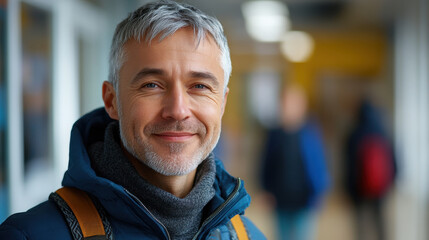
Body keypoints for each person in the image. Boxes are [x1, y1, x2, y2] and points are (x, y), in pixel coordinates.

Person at [0, 1, 265, 239]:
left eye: (199, 86)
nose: (178, 110)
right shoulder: (28, 235)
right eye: (152, 85)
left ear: (222, 104)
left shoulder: (248, 236)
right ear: (111, 101)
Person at [260, 85, 330, 240]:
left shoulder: (310, 134)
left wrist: (320, 192)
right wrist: (265, 189)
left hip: (304, 200)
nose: (287, 108)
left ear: (301, 107)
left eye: (292, 104)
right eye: (284, 104)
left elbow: (319, 166)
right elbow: (265, 164)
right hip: (281, 199)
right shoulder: (274, 135)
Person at [344, 99, 396, 240]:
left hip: (358, 189)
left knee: (361, 227)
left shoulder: (354, 134)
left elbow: (348, 165)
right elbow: (395, 160)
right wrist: (391, 182)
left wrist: (348, 189)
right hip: (380, 188)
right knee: (380, 225)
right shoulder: (384, 132)